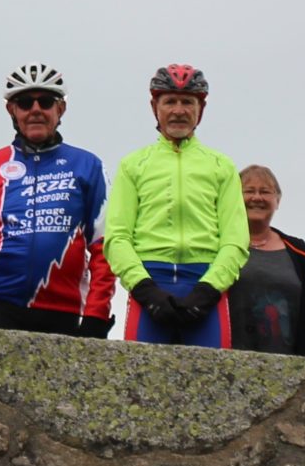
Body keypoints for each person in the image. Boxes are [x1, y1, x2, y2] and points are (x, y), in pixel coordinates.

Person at [0, 63, 115, 337]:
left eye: (45, 101)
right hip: (0, 306)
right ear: (11, 110)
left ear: (60, 109)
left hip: (65, 311)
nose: (35, 110)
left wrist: (97, 314)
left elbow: (104, 247)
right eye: (25, 103)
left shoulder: (88, 165)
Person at [105, 64, 249, 347]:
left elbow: (236, 240)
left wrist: (209, 289)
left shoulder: (221, 166)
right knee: (141, 384)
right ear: (154, 107)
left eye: (188, 102)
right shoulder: (133, 164)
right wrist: (144, 289)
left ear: (200, 109)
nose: (179, 110)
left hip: (205, 280)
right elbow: (117, 237)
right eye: (170, 101)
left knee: (213, 383)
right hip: (150, 280)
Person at [229, 165, 305, 356]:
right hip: (230, 360)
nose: (257, 197)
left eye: (265, 191)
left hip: (289, 363)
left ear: (277, 201)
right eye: (248, 191)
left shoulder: (301, 254)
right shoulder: (217, 246)